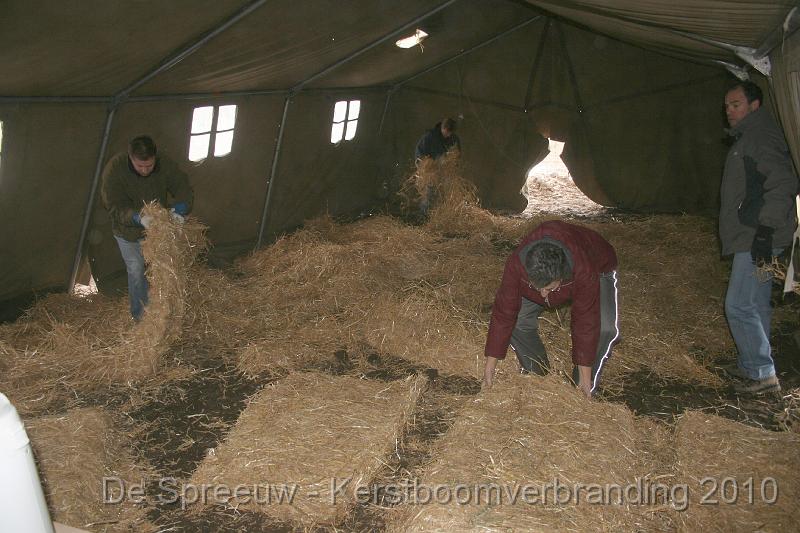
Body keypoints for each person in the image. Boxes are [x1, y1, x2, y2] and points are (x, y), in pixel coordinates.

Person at [719, 80, 798, 394]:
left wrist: (765, 230)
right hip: (759, 233)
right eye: (727, 106)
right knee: (757, 301)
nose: (729, 111)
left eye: (736, 104)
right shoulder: (751, 135)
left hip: (756, 236)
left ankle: (761, 373)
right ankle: (752, 363)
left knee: (738, 304)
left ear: (754, 105)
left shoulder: (760, 137)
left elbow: (782, 183)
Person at [482, 221, 619, 398]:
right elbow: (504, 312)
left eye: (549, 289)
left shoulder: (583, 269)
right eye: (538, 288)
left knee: (605, 328)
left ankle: (582, 387)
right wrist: (489, 369)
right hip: (545, 279)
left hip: (599, 269)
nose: (542, 294)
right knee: (517, 320)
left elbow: (586, 320)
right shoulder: (517, 264)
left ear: (561, 277)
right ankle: (538, 373)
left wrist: (585, 377)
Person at [101, 135, 194, 321]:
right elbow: (114, 205)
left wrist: (180, 209)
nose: (145, 170)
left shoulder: (164, 163)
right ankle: (141, 318)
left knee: (164, 269)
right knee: (136, 270)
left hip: (156, 230)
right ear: (130, 157)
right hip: (127, 231)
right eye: (140, 166)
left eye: (149, 166)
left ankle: (166, 313)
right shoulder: (115, 169)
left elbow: (183, 186)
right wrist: (138, 217)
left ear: (155, 157)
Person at [413, 118, 461, 215]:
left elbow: (457, 154)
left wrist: (453, 163)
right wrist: (424, 165)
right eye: (447, 132)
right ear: (443, 128)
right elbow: (419, 152)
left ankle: (441, 216)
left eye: (450, 133)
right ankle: (424, 216)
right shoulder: (429, 137)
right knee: (429, 194)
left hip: (445, 172)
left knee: (445, 194)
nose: (449, 135)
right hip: (431, 172)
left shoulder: (454, 138)